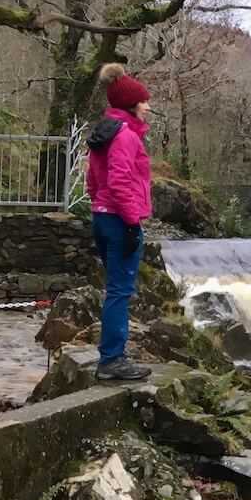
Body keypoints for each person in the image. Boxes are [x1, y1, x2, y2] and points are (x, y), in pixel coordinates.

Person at [86, 63, 154, 381]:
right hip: (118, 218)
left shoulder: (104, 131)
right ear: (131, 104)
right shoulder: (125, 137)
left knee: (114, 287)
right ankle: (112, 360)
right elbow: (120, 182)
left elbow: (92, 181)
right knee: (120, 291)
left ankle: (112, 354)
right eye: (143, 102)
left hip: (101, 216)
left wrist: (99, 206)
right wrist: (130, 222)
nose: (147, 106)